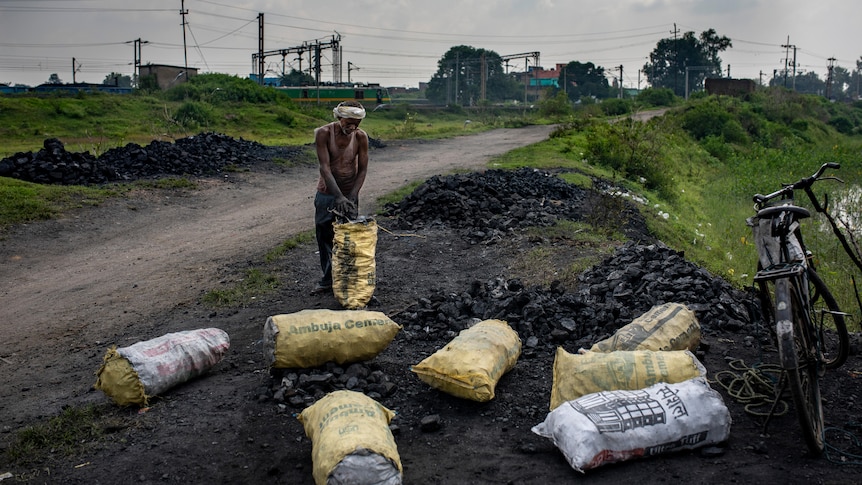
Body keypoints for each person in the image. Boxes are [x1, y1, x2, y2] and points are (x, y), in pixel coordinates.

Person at [311, 100, 369, 295]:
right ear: (339, 117)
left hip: (349, 194)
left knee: (348, 238)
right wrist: (338, 196)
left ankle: (348, 280)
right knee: (325, 236)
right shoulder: (323, 134)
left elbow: (362, 170)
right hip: (327, 195)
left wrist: (351, 196)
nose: (352, 127)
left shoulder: (360, 137)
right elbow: (324, 168)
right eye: (348, 122)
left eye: (357, 123)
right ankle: (328, 279)